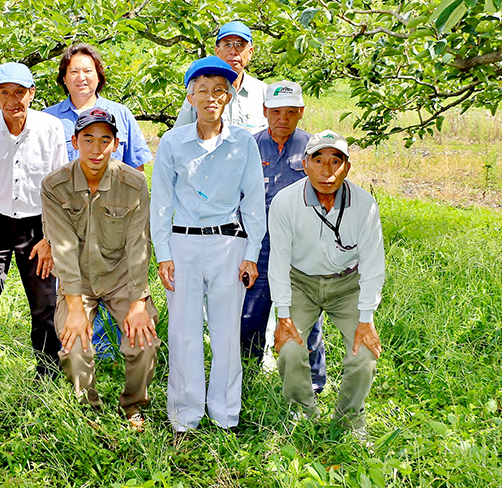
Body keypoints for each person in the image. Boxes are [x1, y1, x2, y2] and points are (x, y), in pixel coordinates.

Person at [151, 56, 266, 434]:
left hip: (228, 244)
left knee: (225, 332)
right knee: (183, 332)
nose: (211, 97)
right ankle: (184, 416)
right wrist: (163, 254)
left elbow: (252, 201)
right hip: (183, 244)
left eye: (220, 90)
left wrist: (251, 254)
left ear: (230, 96)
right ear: (190, 96)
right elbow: (161, 203)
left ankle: (225, 413)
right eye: (203, 91)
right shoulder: (172, 142)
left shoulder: (243, 142)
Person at [41, 108, 160, 430]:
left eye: (105, 141)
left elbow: (139, 244)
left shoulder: (133, 183)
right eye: (88, 140)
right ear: (75, 141)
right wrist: (74, 307)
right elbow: (63, 248)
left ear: (116, 144)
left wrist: (137, 304)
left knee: (144, 341)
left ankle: (133, 407)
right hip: (76, 280)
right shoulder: (55, 185)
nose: (96, 149)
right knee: (73, 346)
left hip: (122, 278)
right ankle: (88, 409)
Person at [270, 130, 384, 435]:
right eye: (318, 160)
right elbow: (278, 261)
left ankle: (349, 420)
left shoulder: (364, 204)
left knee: (364, 354)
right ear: (305, 164)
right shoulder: (285, 202)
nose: (326, 170)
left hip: (347, 285)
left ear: (347, 167)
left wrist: (367, 318)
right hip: (301, 284)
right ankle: (302, 414)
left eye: (336, 161)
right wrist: (282, 315)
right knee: (290, 349)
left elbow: (373, 263)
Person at [43, 43, 154, 358]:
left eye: (87, 71)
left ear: (98, 76)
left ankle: (110, 355)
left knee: (115, 282)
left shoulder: (121, 114)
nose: (81, 77)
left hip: (112, 220)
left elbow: (136, 169)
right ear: (63, 78)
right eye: (73, 71)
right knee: (70, 290)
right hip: (67, 218)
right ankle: (79, 353)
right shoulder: (49, 119)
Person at [0, 62, 68, 379]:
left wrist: (50, 239)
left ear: (32, 94)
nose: (13, 101)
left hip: (37, 225)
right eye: (5, 93)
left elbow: (59, 188)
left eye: (20, 93)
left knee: (45, 304)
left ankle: (48, 373)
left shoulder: (50, 129)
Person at [241, 81, 326, 393]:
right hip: (258, 248)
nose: (283, 118)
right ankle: (246, 379)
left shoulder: (314, 149)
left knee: (306, 319)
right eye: (276, 112)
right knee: (250, 316)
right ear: (264, 111)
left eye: (291, 112)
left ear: (301, 112)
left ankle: (313, 385)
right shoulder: (248, 145)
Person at [173, 21, 268, 133]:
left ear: (250, 52)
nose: (233, 51)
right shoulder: (199, 91)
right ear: (217, 51)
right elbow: (179, 134)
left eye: (240, 45)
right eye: (227, 45)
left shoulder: (263, 92)